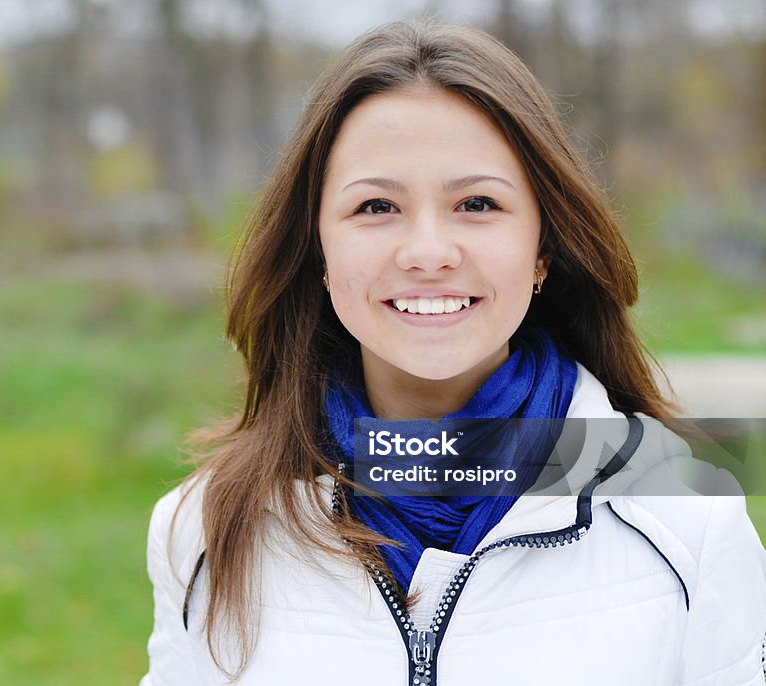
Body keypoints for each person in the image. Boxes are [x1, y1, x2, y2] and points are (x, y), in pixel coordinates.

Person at [140, 19, 766, 686]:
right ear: (318, 250)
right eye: (377, 206)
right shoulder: (206, 526)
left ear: (543, 247)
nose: (428, 253)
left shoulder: (688, 505)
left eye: (477, 203)